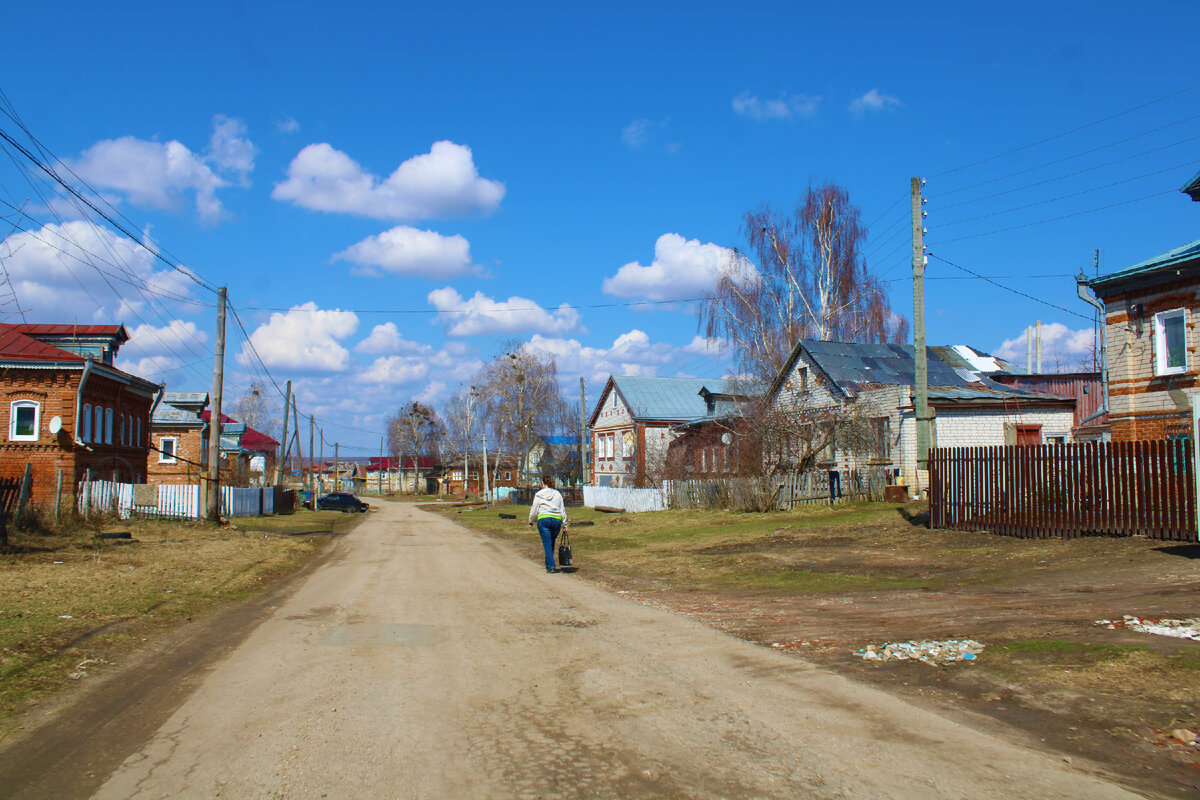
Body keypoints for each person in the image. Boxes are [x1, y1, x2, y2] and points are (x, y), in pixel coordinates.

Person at [528, 475, 568, 573]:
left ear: (543, 483)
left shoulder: (539, 494)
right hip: (556, 520)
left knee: (547, 543)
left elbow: (534, 508)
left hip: (544, 520)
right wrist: (565, 523)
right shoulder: (557, 494)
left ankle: (551, 566)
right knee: (551, 542)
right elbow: (562, 509)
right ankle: (548, 564)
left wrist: (531, 520)